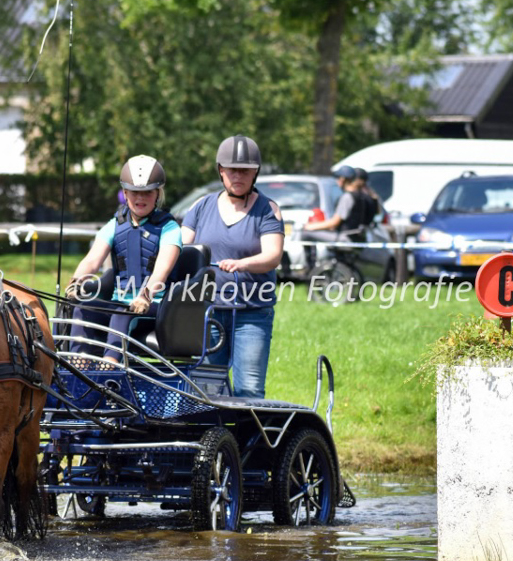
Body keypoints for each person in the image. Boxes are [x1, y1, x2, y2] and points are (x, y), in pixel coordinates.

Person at [181, 134, 284, 398]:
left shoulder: (268, 209)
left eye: (245, 171)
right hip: (208, 312)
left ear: (255, 173)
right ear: (221, 171)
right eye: (232, 170)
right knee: (206, 389)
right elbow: (181, 249)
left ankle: (248, 437)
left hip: (251, 312)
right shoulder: (201, 206)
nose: (238, 176)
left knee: (248, 388)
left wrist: (242, 264)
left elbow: (273, 256)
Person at [68, 155, 181, 368]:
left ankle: (109, 368)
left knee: (122, 312)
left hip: (156, 306)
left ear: (157, 193)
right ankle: (78, 365)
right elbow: (92, 260)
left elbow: (161, 271)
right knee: (83, 307)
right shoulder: (114, 224)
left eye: (147, 191)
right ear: (125, 192)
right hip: (120, 302)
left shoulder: (169, 228)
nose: (141, 198)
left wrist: (144, 296)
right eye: (135, 192)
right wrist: (76, 281)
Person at [302, 165, 369, 238]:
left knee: (305, 234)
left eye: (338, 178)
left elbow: (334, 222)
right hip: (356, 237)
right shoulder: (360, 195)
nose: (337, 181)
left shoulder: (347, 197)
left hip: (345, 237)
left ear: (342, 179)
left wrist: (311, 226)